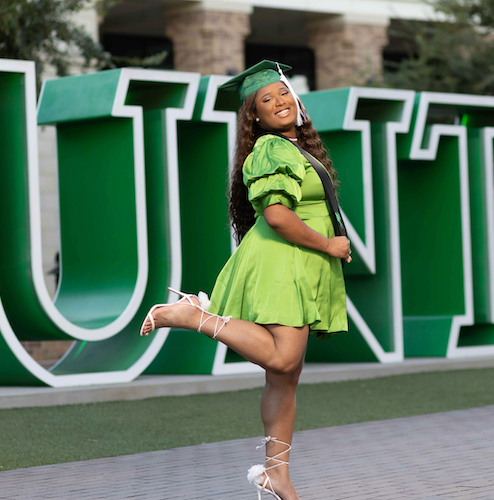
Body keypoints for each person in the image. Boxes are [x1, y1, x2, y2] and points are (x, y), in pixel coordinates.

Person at [140, 60, 351, 500]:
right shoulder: (272, 150)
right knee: (282, 359)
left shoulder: (299, 149)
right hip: (284, 260)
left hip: (301, 262)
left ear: (297, 98)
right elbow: (276, 216)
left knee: (285, 376)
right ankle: (194, 316)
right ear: (253, 116)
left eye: (283, 93)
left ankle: (277, 474)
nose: (279, 102)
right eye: (266, 99)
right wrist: (330, 245)